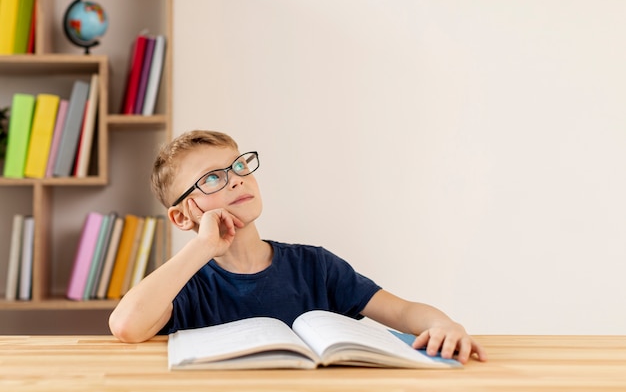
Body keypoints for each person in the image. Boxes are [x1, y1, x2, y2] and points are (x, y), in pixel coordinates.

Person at [109, 130, 487, 364]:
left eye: (239, 167)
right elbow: (126, 326)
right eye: (212, 178)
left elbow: (402, 311)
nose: (237, 180)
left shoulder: (315, 266)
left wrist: (444, 325)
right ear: (182, 216)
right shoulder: (184, 284)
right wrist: (203, 245)